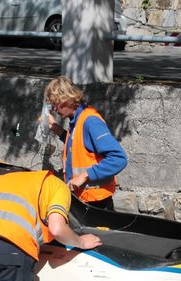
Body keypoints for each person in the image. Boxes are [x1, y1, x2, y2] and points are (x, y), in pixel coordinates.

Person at [44, 76, 128, 210]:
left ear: (67, 99)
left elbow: (119, 158)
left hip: (97, 203)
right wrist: (56, 128)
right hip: (83, 199)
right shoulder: (76, 119)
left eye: (56, 104)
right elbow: (77, 145)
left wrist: (84, 175)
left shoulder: (90, 121)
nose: (54, 109)